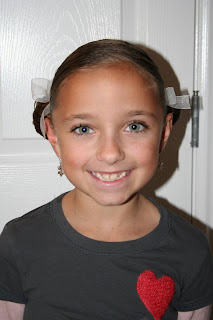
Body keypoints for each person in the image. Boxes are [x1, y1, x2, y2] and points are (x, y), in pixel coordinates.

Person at [0, 39, 213, 320]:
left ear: (163, 133)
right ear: (54, 136)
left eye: (134, 126)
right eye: (84, 128)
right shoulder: (18, 242)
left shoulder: (192, 251)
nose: (110, 153)